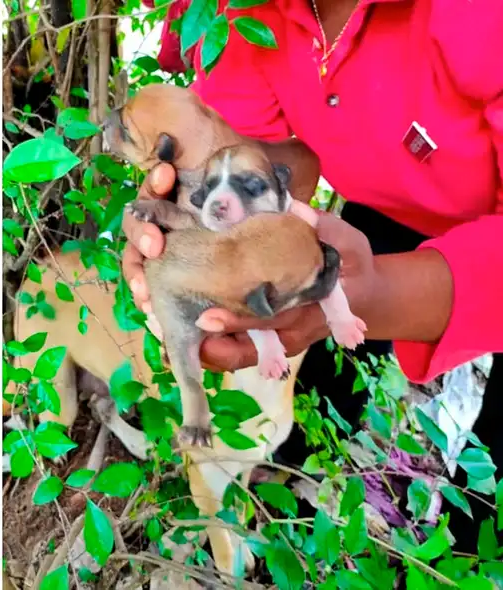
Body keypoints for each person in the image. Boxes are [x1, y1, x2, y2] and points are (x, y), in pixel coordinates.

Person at [129, 0, 503, 553]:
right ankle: (309, 498)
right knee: (327, 397)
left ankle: (459, 551)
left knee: (482, 496)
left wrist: (377, 295)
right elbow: (283, 152)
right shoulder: (237, 13)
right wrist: (185, 222)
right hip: (386, 217)